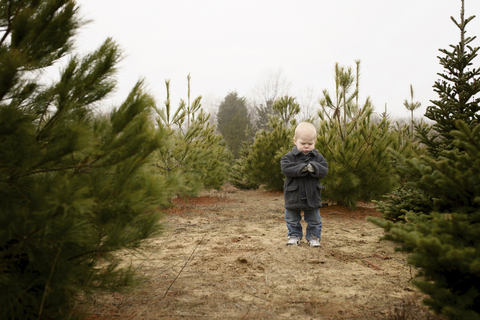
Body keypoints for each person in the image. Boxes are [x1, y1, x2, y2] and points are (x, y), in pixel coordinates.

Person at [280, 122, 328, 247]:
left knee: (314, 220)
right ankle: (294, 236)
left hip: (312, 195)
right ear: (295, 141)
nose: (306, 146)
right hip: (293, 195)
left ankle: (313, 237)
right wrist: (303, 168)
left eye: (310, 144)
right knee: (291, 219)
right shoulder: (288, 157)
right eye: (303, 143)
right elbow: (286, 168)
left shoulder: (318, 157)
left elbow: (324, 169)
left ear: (315, 142)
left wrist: (314, 168)